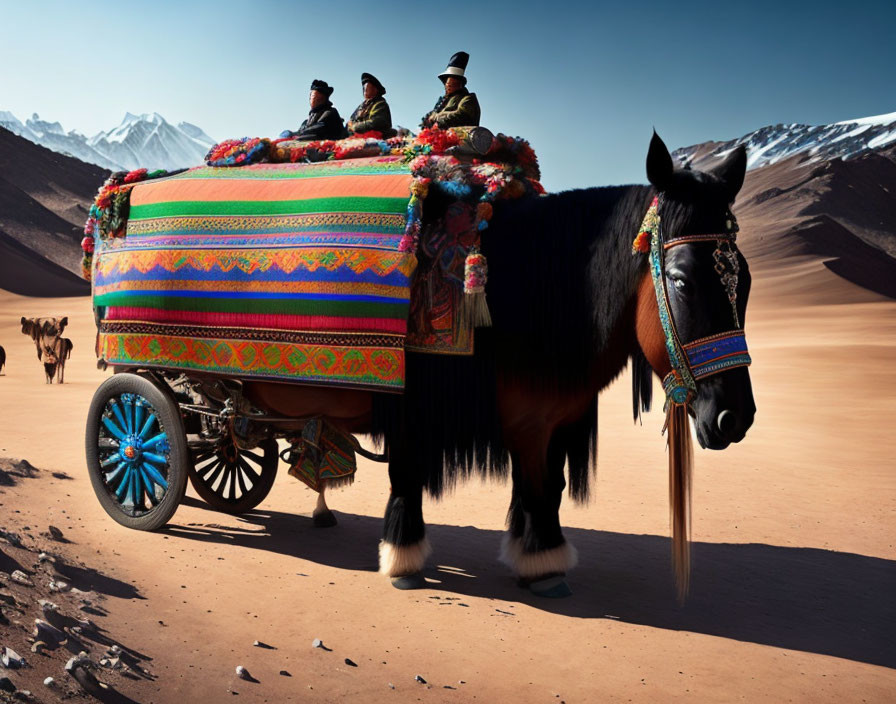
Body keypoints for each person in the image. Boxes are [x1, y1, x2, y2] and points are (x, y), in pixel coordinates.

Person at [421, 51, 481, 129]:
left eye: (452, 83)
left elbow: (461, 117)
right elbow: (428, 120)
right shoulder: (443, 102)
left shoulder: (468, 99)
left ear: (460, 84)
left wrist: (436, 117)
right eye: (446, 83)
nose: (447, 86)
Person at [281, 79, 346, 141]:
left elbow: (319, 128)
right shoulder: (308, 120)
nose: (310, 99)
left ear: (321, 98)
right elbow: (302, 131)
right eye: (310, 96)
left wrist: (297, 134)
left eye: (313, 96)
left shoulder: (330, 112)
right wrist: (291, 134)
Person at [346, 73, 396, 138]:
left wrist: (355, 127)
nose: (365, 89)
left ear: (375, 90)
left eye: (367, 87)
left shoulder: (380, 104)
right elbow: (350, 121)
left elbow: (377, 122)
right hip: (357, 138)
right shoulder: (361, 106)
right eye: (364, 88)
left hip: (376, 139)